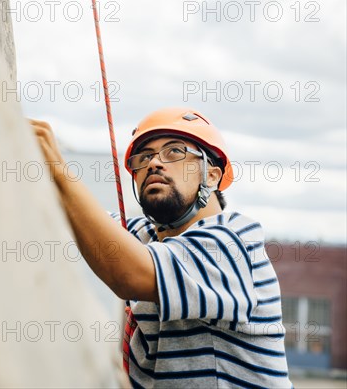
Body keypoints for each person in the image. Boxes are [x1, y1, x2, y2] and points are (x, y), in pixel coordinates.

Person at [31, 107, 292, 388]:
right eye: (143, 157)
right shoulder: (145, 238)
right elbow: (75, 217)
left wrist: (57, 170)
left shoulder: (232, 239)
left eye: (174, 152)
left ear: (213, 176)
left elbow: (129, 275)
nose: (154, 163)